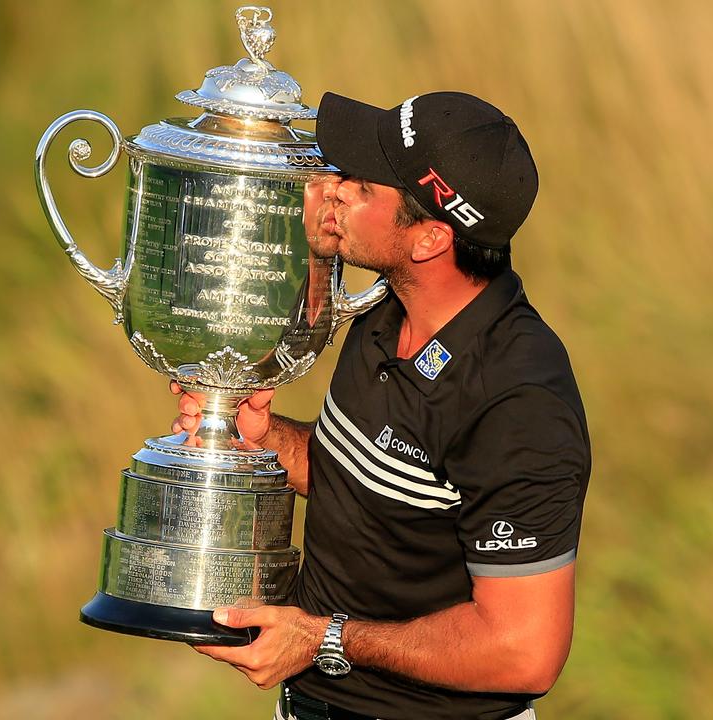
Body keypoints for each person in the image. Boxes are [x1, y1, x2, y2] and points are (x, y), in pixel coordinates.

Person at [173, 91, 591, 720]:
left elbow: (524, 651)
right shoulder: (384, 311)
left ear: (428, 238)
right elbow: (385, 489)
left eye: (364, 186)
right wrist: (263, 436)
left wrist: (324, 639)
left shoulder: (517, 398)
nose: (334, 188)